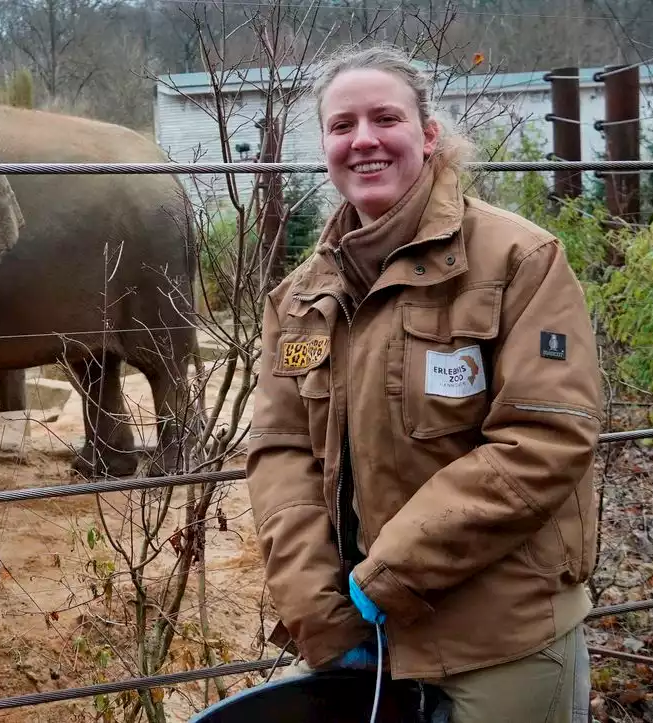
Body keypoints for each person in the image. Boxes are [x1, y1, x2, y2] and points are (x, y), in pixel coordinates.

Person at [245, 42, 602, 723]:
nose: (364, 140)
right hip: (359, 633)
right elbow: (280, 452)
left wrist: (391, 574)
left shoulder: (518, 259)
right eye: (342, 125)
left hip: (498, 634)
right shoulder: (298, 298)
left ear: (429, 134)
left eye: (386, 118)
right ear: (324, 144)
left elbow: (545, 437)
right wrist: (319, 610)